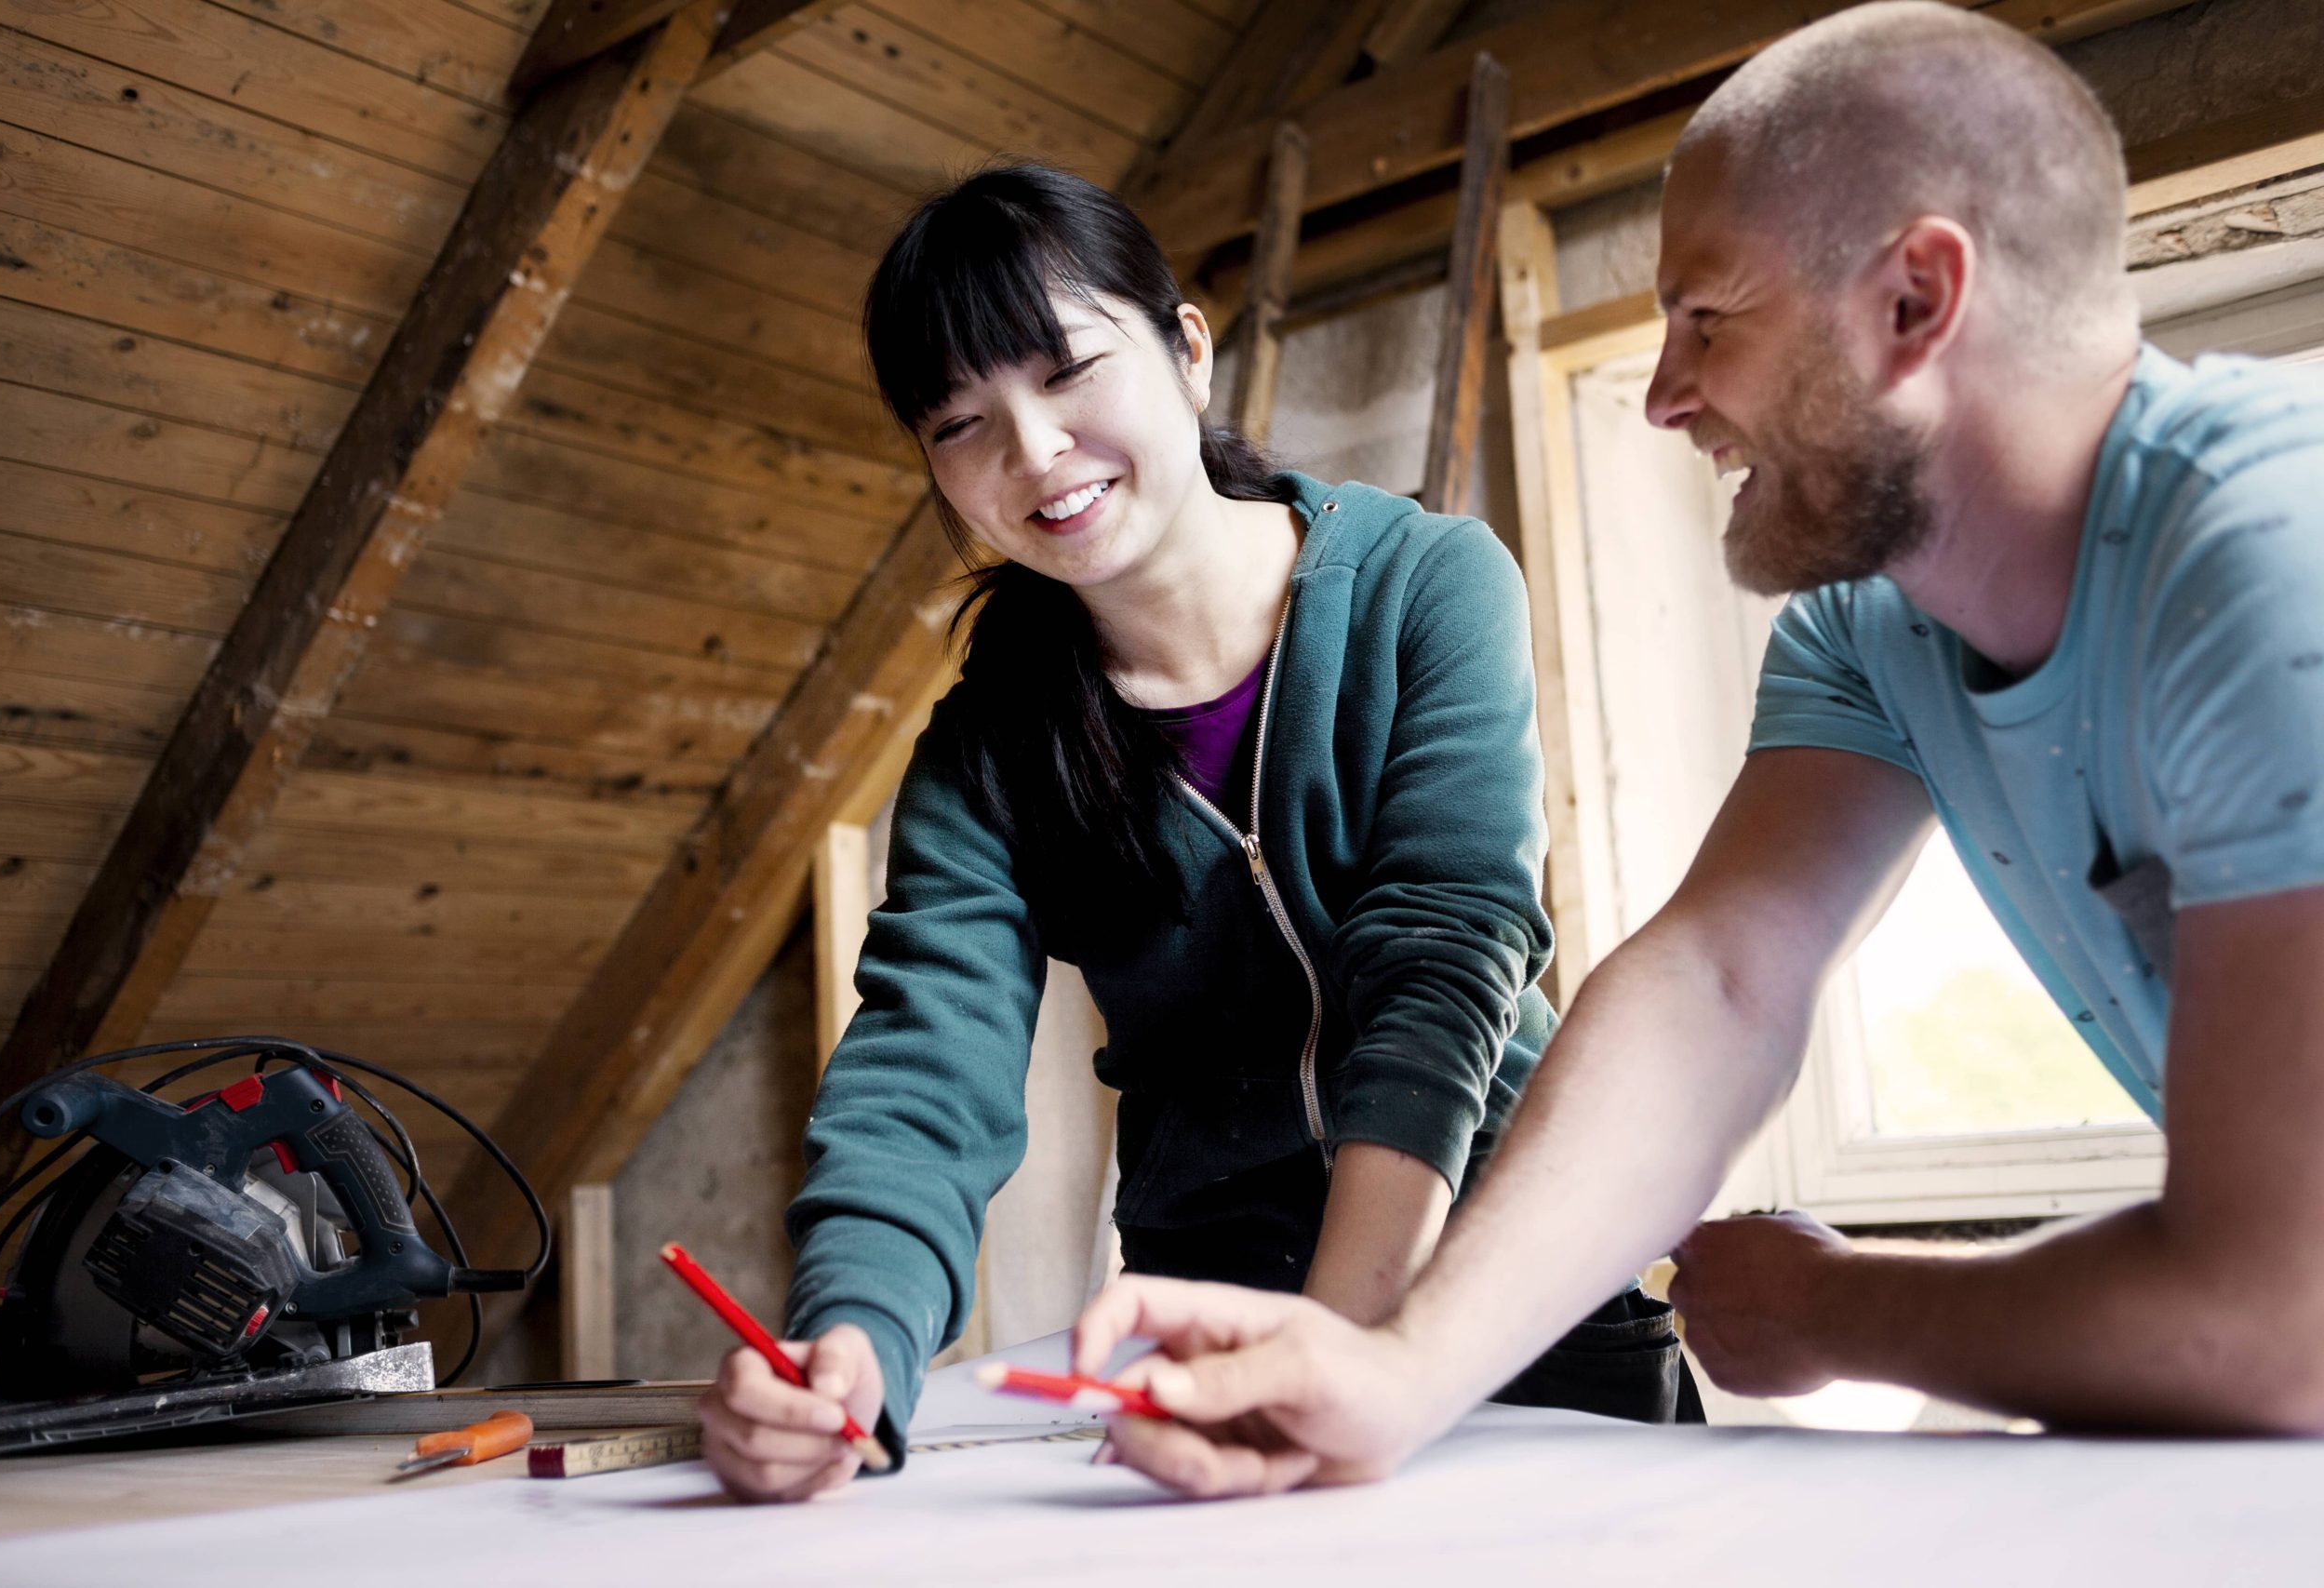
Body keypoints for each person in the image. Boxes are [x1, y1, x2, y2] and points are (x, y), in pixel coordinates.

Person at [1069, 1, 2324, 1497]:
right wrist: (1395, 1372)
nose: (1666, 393)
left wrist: (1837, 1308)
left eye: (1708, 319)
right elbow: (1717, 980)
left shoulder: (2270, 557)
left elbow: (2280, 1321)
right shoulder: (1872, 627)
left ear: (1918, 300)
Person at [696, 164, 1697, 1503]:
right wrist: (847, 1348)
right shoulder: (987, 750)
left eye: (1067, 373)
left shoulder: (1427, 590)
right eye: (960, 424)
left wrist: (1340, 1352)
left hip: (1512, 1302)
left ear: (1186, 349)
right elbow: (922, 1073)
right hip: (1207, 1336)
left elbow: (1446, 963)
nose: (1034, 452)